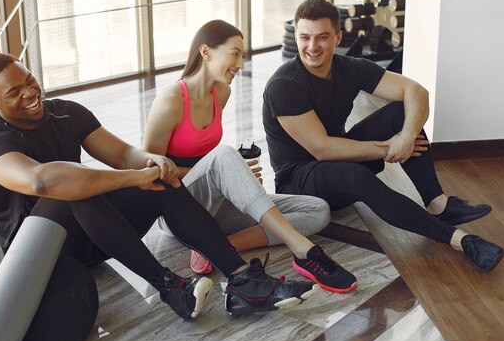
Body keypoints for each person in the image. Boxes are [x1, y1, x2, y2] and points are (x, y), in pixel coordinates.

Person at [0, 52, 319, 321]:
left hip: (96, 238)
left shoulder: (65, 112)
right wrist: (131, 178)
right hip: (43, 255)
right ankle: (171, 287)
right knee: (77, 191)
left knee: (158, 179)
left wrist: (150, 163)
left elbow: (123, 154)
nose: (30, 92)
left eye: (30, 80)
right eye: (14, 92)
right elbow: (40, 181)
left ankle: (243, 282)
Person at [262, 0, 504, 272]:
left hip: (338, 161)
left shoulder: (349, 68)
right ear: (295, 37)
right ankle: (462, 241)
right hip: (300, 181)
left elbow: (416, 91)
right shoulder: (284, 85)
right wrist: (388, 149)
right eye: (304, 37)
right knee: (356, 175)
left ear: (338, 37)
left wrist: (407, 136)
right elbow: (323, 149)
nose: (312, 46)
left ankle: (437, 203)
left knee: (401, 113)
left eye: (322, 37)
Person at [143, 19, 357, 293]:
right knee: (224, 156)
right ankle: (303, 249)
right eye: (235, 54)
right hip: (176, 210)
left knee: (317, 210)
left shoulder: (221, 92)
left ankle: (220, 246)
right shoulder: (171, 99)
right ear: (206, 52)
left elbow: (208, 158)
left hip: (213, 207)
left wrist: (233, 174)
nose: (241, 65)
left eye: (242, 56)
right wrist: (218, 171)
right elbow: (150, 169)